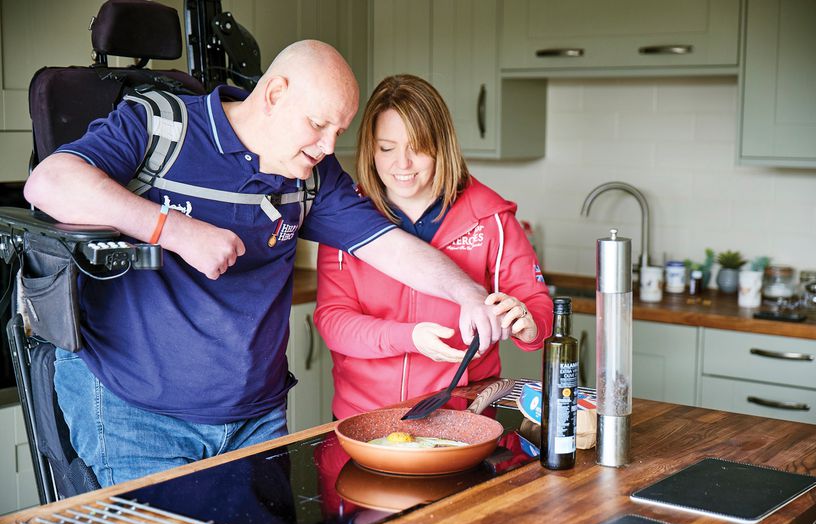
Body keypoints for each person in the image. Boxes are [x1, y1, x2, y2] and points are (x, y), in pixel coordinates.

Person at [23, 41, 502, 486]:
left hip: (257, 418)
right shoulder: (158, 125)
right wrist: (173, 230)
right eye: (318, 124)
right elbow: (50, 184)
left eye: (338, 131)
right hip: (137, 412)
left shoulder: (311, 175)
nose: (329, 146)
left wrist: (468, 294)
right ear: (274, 94)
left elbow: (391, 246)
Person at [313, 74, 553, 419]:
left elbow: (536, 304)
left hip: (465, 418)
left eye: (418, 147)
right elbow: (333, 322)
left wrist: (529, 325)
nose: (402, 164)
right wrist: (409, 337)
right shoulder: (346, 219)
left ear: (442, 145)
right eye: (387, 148)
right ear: (370, 149)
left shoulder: (490, 218)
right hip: (363, 417)